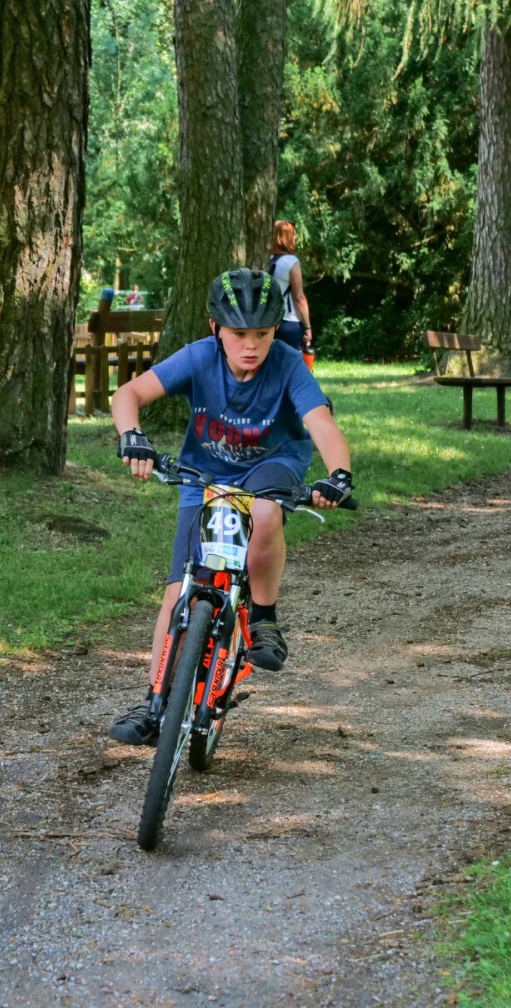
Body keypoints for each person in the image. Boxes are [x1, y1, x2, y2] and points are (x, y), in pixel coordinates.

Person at [106, 268, 354, 745]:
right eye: (239, 334)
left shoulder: (287, 365)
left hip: (271, 467)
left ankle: (264, 619)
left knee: (264, 511)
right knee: (178, 591)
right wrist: (131, 436)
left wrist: (338, 474)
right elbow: (128, 394)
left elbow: (321, 423)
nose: (251, 345)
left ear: (275, 331)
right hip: (205, 478)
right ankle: (155, 701)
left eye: (262, 333)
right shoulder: (199, 358)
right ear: (215, 327)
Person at [268, 220, 313, 357]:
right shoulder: (291, 262)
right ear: (287, 237)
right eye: (293, 235)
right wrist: (307, 327)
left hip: (266, 321)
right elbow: (299, 298)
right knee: (292, 364)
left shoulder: (266, 259)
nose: (295, 238)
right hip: (288, 322)